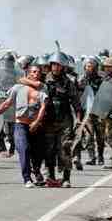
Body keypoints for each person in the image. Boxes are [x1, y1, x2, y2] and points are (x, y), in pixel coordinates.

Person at [20, 51, 82, 188]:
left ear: (63, 66)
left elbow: (76, 103)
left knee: (65, 149)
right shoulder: (43, 79)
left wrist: (78, 120)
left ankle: (66, 178)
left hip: (65, 121)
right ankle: (52, 177)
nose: (56, 67)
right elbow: (23, 80)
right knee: (49, 150)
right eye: (54, 64)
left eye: (59, 65)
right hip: (48, 121)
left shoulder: (69, 82)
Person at [0, 65, 49, 188]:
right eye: (34, 72)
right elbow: (6, 104)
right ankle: (27, 178)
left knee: (38, 152)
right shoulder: (17, 88)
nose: (36, 74)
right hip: (21, 124)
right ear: (28, 74)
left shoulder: (42, 88)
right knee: (23, 149)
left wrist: (37, 122)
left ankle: (36, 171)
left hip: (36, 126)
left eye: (38, 72)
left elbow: (43, 107)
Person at [77, 56, 105, 166]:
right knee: (89, 136)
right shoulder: (81, 79)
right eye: (87, 66)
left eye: (91, 66)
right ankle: (92, 157)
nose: (89, 68)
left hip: (99, 111)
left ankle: (101, 156)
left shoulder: (102, 79)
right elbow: (78, 94)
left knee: (100, 136)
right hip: (87, 112)